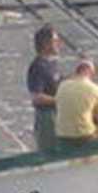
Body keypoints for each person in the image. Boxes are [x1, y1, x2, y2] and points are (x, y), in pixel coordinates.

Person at [26, 23, 67, 153]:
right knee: (50, 151)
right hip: (47, 117)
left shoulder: (52, 64)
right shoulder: (38, 66)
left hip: (58, 115)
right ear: (46, 43)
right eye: (55, 41)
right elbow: (37, 97)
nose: (59, 44)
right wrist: (61, 100)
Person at [53, 58, 98, 148]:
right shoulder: (96, 89)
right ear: (91, 72)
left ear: (76, 71)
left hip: (62, 134)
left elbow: (58, 106)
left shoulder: (62, 85)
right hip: (84, 135)